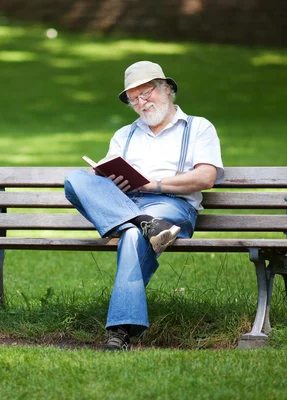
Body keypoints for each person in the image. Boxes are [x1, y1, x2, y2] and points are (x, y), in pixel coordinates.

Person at [64, 61, 224, 351]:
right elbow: (102, 178)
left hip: (172, 207)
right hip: (128, 205)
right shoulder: (124, 134)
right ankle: (143, 222)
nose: (141, 103)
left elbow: (207, 177)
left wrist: (154, 185)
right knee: (75, 179)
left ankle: (120, 331)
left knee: (131, 234)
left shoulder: (198, 127)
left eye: (146, 93)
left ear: (166, 89)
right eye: (134, 99)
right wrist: (104, 179)